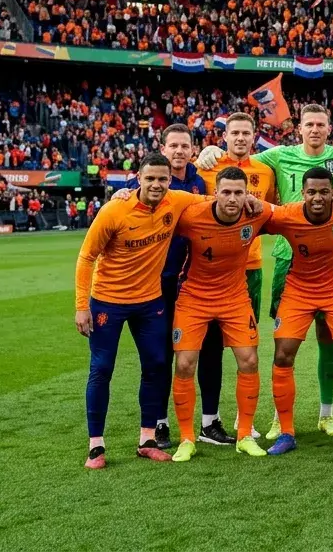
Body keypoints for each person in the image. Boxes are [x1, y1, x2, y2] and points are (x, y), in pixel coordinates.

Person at [197, 104, 333, 439]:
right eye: (309, 124)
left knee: (331, 340)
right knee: (285, 343)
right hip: (289, 260)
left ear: (330, 128)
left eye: (321, 124)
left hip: (332, 261)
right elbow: (243, 160)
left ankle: (327, 414)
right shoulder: (277, 156)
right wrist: (213, 150)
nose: (315, 129)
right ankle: (277, 418)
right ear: (298, 128)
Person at [74, 153, 204, 468]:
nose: (157, 184)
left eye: (162, 179)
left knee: (157, 365)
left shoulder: (176, 201)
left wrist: (256, 204)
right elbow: (86, 256)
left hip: (150, 302)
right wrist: (81, 306)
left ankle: (147, 439)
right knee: (102, 368)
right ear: (138, 179)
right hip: (108, 302)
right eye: (150, 179)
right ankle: (96, 446)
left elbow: (218, 198)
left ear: (170, 181)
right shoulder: (114, 210)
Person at [262, 167, 333, 455]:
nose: (318, 198)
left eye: (325, 192)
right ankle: (286, 432)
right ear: (303, 192)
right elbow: (259, 214)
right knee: (283, 353)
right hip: (299, 291)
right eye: (312, 192)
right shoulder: (288, 214)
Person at [169, 167, 274, 462]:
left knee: (249, 359)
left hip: (234, 298)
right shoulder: (191, 216)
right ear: (215, 192)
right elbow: (160, 209)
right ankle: (187, 438)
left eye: (238, 192)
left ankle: (245, 436)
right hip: (194, 298)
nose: (232, 198)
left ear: (247, 195)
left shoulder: (257, 214)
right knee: (186, 364)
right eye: (226, 191)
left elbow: (290, 212)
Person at [127, 124, 218, 449]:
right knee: (160, 354)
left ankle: (210, 421)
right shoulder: (144, 183)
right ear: (163, 148)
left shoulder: (199, 179)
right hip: (155, 283)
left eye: (185, 146)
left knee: (207, 350)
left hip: (194, 281)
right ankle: (159, 424)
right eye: (173, 145)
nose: (179, 151)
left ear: (193, 149)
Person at [195, 112, 277, 441]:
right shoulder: (206, 166)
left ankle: (247, 421)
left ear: (254, 137)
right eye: (234, 133)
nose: (240, 138)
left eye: (246, 133)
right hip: (209, 271)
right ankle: (209, 420)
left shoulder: (264, 172)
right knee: (209, 348)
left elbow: (270, 212)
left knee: (247, 349)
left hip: (250, 270)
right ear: (225, 137)